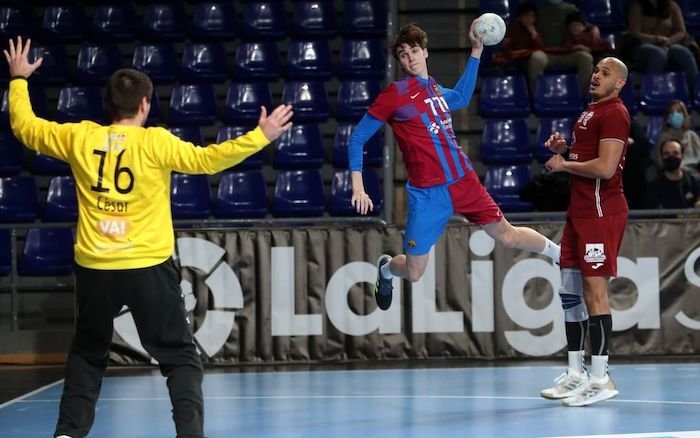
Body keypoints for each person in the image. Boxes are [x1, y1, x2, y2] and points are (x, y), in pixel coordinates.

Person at [4, 37, 293, 438]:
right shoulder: (156, 142)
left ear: (109, 105)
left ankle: (68, 433)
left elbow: (25, 127)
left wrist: (18, 80)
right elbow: (208, 161)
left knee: (88, 353)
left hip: (95, 268)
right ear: (144, 105)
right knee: (178, 358)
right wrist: (260, 136)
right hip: (147, 267)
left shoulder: (80, 137)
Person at [347, 22, 561, 311]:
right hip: (428, 194)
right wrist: (358, 187)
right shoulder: (395, 95)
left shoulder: (434, 88)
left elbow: (459, 97)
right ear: (399, 61)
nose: (409, 58)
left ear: (425, 53)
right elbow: (358, 138)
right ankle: (386, 269)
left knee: (507, 236)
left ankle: (561, 254)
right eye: (402, 54)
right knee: (413, 272)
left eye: (413, 51)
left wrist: (476, 50)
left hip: (464, 181)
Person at [542, 56, 631, 406]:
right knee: (569, 293)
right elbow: (586, 157)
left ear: (619, 83)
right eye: (596, 70)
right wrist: (566, 150)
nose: (596, 75)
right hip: (578, 211)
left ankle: (601, 378)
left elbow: (607, 168)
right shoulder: (590, 111)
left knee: (594, 293)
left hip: (600, 212)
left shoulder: (614, 113)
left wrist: (564, 164)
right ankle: (576, 373)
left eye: (605, 73)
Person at [626, 0, 698, 92]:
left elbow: (681, 31)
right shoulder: (637, 6)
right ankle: (650, 91)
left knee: (682, 51)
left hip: (668, 44)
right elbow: (634, 33)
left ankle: (694, 91)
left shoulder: (671, 5)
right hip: (643, 46)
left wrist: (669, 41)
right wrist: (655, 39)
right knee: (659, 54)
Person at [531, 0, 595, 97]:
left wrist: (595, 29)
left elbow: (583, 23)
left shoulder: (571, 9)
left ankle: (583, 98)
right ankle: (538, 98)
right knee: (536, 58)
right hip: (547, 53)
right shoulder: (540, 11)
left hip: (569, 52)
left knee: (586, 58)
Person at [646, 138, 700, 208]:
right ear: (662, 157)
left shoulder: (693, 182)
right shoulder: (654, 187)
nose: (671, 157)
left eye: (675, 153)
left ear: (682, 156)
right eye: (667, 153)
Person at [652, 99, 700, 175]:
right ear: (668, 117)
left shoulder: (692, 135)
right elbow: (660, 163)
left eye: (679, 111)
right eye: (672, 112)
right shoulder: (663, 137)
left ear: (684, 115)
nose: (676, 115)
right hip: (674, 174)